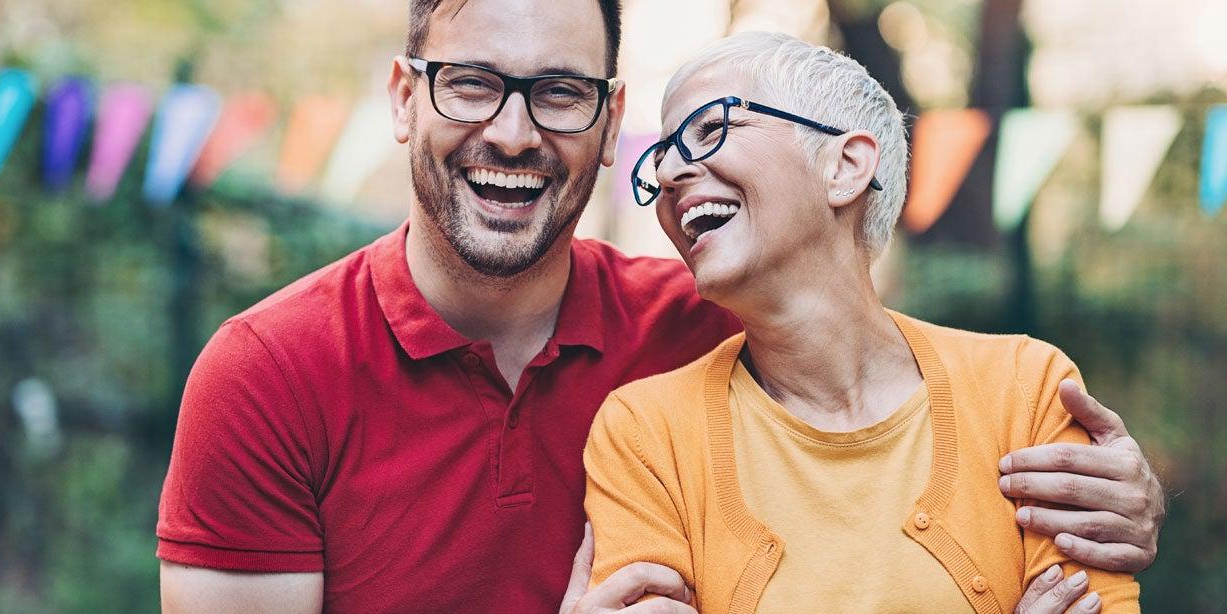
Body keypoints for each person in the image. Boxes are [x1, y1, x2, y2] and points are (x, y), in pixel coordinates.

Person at [157, 2, 1164, 612]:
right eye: (470, 84)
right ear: (401, 97)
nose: (512, 131)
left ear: (606, 121)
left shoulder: (716, 323)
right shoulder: (269, 373)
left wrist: (1123, 493)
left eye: (557, 92)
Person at [583, 31, 1146, 613]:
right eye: (663, 152)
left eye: (710, 128)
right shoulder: (645, 434)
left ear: (846, 166)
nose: (670, 172)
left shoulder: (1025, 390)